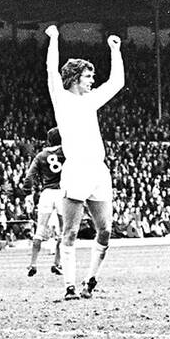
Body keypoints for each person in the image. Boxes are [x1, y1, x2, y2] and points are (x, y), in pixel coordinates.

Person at [44, 25, 125, 300]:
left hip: (98, 171)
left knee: (105, 230)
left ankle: (90, 280)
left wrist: (116, 51)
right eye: (88, 76)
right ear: (75, 78)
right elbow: (50, 70)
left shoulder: (91, 100)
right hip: (76, 169)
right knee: (71, 231)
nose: (92, 80)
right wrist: (54, 40)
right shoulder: (62, 98)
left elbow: (117, 83)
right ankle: (69, 286)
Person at [24, 128, 65, 277]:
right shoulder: (66, 152)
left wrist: (27, 192)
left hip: (46, 193)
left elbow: (29, 177)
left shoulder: (40, 156)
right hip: (61, 192)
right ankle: (57, 263)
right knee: (63, 230)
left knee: (40, 230)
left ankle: (33, 264)